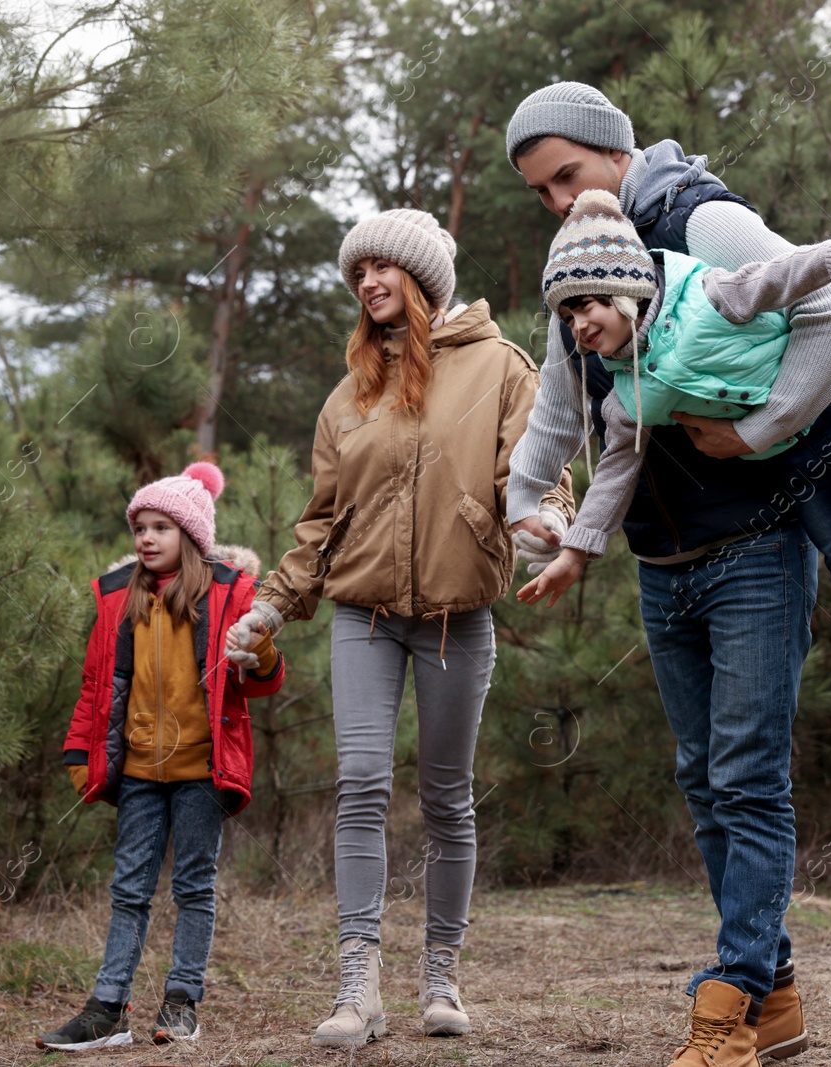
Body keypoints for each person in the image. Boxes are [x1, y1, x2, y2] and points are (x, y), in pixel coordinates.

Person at [498, 80, 831, 1067]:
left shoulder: (705, 218)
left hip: (753, 544)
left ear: (614, 152)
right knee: (704, 778)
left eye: (567, 174)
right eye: (539, 191)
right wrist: (521, 503)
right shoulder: (584, 257)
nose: (558, 200)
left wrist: (758, 429)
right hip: (661, 562)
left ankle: (729, 994)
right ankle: (774, 995)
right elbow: (557, 408)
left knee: (743, 775)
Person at [223, 208, 575, 1048]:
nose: (369, 282)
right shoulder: (352, 393)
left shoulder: (502, 367)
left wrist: (545, 527)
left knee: (448, 797)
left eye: (383, 267)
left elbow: (536, 474)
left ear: (423, 276)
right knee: (361, 784)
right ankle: (358, 986)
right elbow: (321, 525)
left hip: (459, 621)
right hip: (364, 617)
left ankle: (442, 978)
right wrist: (270, 604)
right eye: (358, 273)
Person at [517, 190, 831, 737]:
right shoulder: (628, 395)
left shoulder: (704, 295)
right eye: (567, 315)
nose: (578, 325)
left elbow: (781, 275)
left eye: (587, 304)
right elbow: (615, 473)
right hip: (789, 457)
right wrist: (576, 551)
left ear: (627, 289)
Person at [38, 462, 285, 1052]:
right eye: (139, 527)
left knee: (194, 886)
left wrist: (260, 652)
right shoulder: (119, 599)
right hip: (141, 773)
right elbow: (97, 687)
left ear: (192, 536)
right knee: (129, 889)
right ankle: (107, 1010)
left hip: (202, 769)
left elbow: (262, 682)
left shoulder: (230, 595)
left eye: (160, 527)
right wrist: (81, 753)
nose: (146, 538)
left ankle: (180, 1004)